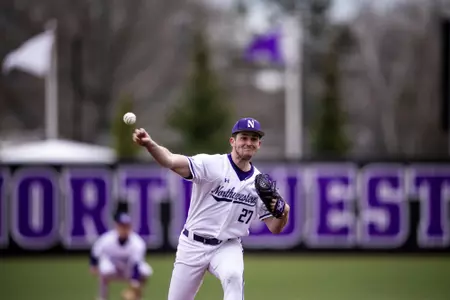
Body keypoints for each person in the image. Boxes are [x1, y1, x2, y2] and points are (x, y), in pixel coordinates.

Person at [132, 117, 290, 300]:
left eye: (254, 139)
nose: (248, 142)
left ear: (259, 144)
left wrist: (283, 212)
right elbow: (170, 160)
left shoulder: (260, 183)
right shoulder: (212, 165)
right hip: (192, 244)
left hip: (227, 245)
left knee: (233, 276)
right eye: (244, 137)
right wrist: (150, 145)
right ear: (232, 141)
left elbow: (275, 228)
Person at [89, 211, 153, 300]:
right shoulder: (107, 239)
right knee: (104, 269)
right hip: (113, 269)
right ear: (116, 226)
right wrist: (93, 264)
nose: (124, 228)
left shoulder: (137, 242)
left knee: (146, 271)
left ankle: (137, 296)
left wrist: (133, 286)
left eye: (126, 226)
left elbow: (136, 265)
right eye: (122, 225)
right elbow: (96, 250)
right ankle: (102, 297)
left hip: (128, 270)